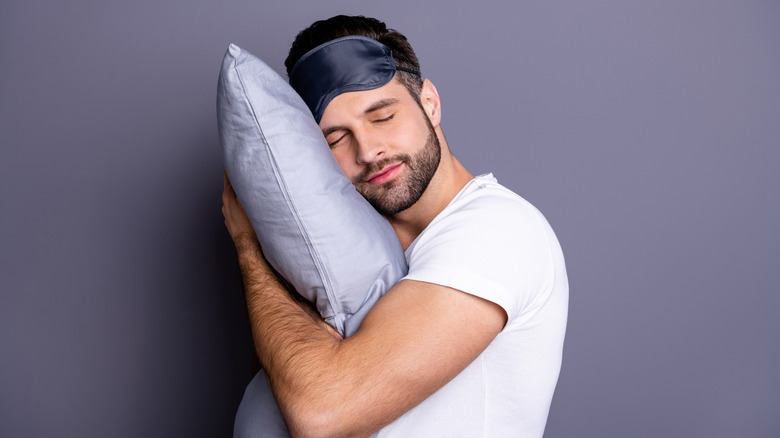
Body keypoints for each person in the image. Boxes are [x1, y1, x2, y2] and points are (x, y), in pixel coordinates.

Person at [222, 15, 568, 438]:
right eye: (335, 139)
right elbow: (282, 372)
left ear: (430, 102)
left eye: (382, 116)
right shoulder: (348, 253)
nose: (368, 150)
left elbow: (322, 414)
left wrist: (248, 249)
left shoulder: (496, 230)